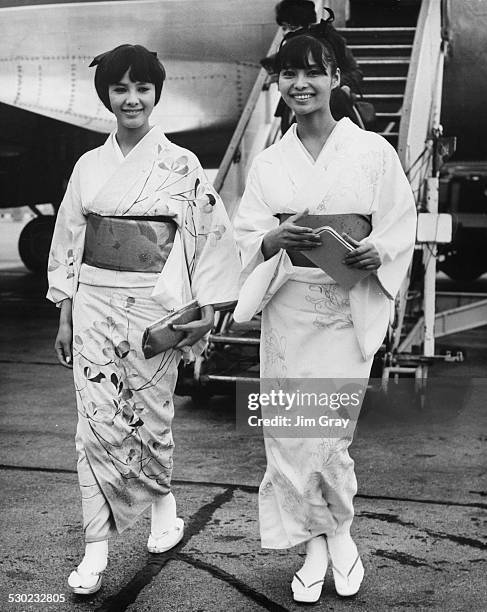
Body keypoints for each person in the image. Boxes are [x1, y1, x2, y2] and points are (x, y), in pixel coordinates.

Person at [47, 44, 240, 595]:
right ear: (106, 95)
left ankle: (164, 513)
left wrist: (204, 309)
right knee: (94, 425)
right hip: (94, 306)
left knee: (151, 417)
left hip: (157, 307)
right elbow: (69, 240)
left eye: (142, 89)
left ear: (157, 94)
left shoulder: (180, 164)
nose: (131, 99)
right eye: (120, 89)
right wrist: (65, 312)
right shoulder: (88, 166)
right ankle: (95, 549)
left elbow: (209, 237)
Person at [233, 31, 416, 604]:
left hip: (345, 305)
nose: (300, 84)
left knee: (330, 436)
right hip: (288, 307)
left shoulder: (373, 153)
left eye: (313, 72)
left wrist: (377, 252)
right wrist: (271, 238)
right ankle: (325, 544)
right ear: (278, 82)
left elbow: (397, 222)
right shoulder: (268, 162)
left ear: (335, 77)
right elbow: (244, 235)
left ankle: (333, 536)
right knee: (288, 436)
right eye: (289, 74)